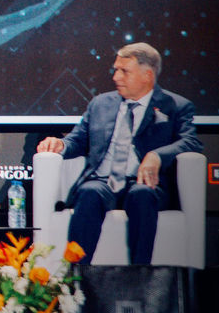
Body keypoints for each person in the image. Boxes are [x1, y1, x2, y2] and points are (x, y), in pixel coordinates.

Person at [37, 42, 201, 264]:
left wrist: (156, 156)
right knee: (89, 192)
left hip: (144, 184)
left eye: (124, 71)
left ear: (147, 75)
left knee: (142, 195)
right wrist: (61, 144)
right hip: (103, 182)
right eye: (116, 69)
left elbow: (191, 142)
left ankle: (141, 278)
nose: (116, 77)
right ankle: (76, 281)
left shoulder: (175, 106)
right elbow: (79, 140)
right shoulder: (101, 104)